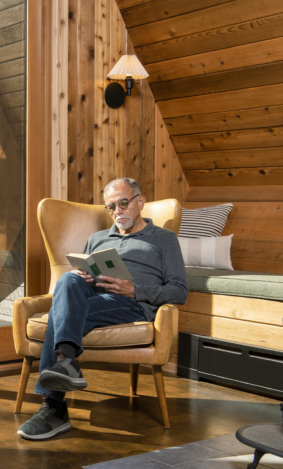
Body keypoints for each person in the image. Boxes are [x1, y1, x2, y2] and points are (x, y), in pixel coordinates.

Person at [17, 177, 188, 440]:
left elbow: (179, 290)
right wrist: (83, 276)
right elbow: (82, 276)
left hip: (131, 304)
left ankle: (53, 408)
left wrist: (135, 290)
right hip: (93, 299)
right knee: (69, 278)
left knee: (58, 314)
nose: (117, 211)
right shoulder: (97, 238)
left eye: (123, 203)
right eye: (111, 207)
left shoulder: (164, 240)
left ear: (139, 201)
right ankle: (67, 364)